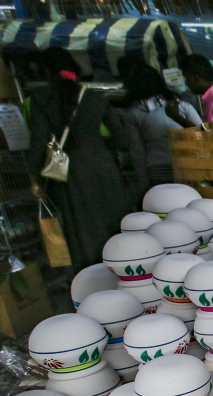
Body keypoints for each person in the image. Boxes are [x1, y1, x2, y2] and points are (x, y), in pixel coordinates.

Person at [28, 47, 133, 273]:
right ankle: (125, 269)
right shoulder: (95, 97)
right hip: (103, 167)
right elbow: (122, 138)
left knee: (80, 228)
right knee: (112, 220)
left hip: (68, 173)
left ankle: (90, 277)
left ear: (47, 71)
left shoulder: (40, 99)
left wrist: (33, 178)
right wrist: (100, 147)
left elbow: (38, 141)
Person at [120, 63, 202, 193]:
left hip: (157, 173)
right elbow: (204, 135)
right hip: (189, 169)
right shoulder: (180, 105)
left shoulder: (133, 113)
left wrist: (144, 186)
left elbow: (138, 153)